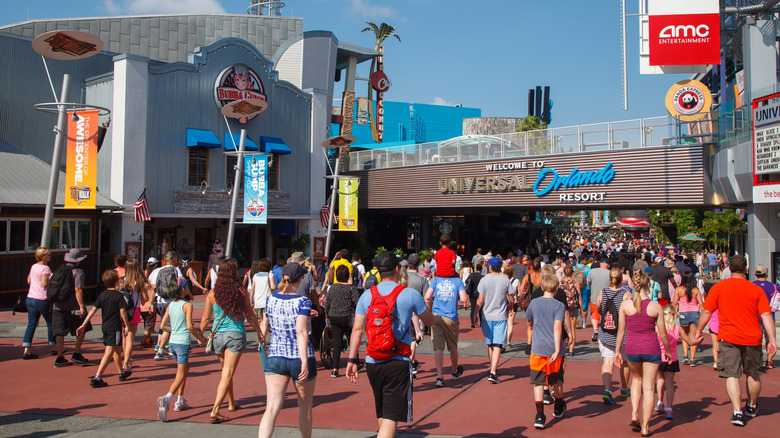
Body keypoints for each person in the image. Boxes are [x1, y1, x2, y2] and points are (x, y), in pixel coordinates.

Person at [345, 252, 436, 438]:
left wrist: (352, 359)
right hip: (398, 361)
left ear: (378, 271)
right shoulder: (409, 294)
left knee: (382, 411)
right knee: (391, 417)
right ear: (397, 270)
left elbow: (356, 330)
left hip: (372, 360)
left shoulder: (367, 296)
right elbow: (430, 321)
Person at [695, 255, 777, 427]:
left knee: (732, 375)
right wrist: (772, 340)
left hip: (728, 336)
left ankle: (737, 411)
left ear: (729, 269)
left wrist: (697, 331)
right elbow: (766, 315)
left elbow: (707, 312)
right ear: (746, 269)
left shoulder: (719, 287)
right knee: (753, 374)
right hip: (752, 337)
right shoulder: (756, 290)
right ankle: (752, 406)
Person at [199, 259, 263, 423]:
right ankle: (215, 410)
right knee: (227, 373)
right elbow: (250, 315)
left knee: (226, 372)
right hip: (235, 334)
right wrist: (259, 332)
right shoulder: (240, 292)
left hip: (218, 336)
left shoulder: (213, 293)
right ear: (234, 272)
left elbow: (206, 317)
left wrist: (200, 335)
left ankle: (232, 403)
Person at [259, 262, 316, 437]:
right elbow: (300, 331)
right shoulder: (303, 301)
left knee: (271, 408)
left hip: (276, 355)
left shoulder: (270, 299)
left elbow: (266, 323)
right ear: (300, 279)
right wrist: (304, 361)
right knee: (305, 406)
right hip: (299, 357)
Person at [615, 270, 672, 437]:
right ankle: (646, 427)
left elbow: (621, 331)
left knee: (636, 381)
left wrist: (618, 351)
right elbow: (663, 333)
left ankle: (634, 414)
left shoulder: (626, 306)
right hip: (651, 348)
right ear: (649, 285)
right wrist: (667, 351)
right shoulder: (655, 307)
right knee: (648, 387)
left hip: (632, 347)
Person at [156, 279, 207, 421]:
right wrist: (201, 338)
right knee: (180, 374)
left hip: (172, 342)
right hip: (182, 342)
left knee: (184, 369)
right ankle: (167, 398)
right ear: (183, 289)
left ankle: (180, 399)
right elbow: (190, 326)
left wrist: (175, 330)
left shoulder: (171, 305)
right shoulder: (187, 306)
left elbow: (162, 325)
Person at [525, 274, 569, 430]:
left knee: (538, 382)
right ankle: (558, 405)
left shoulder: (534, 303)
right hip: (553, 348)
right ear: (557, 289)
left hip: (538, 347)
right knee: (556, 379)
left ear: (542, 287)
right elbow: (558, 327)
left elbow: (529, 321)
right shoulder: (559, 306)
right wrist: (557, 348)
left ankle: (539, 415)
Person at [77, 270, 131, 387]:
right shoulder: (118, 295)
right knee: (109, 352)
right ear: (116, 281)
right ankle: (97, 377)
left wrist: (83, 324)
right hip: (114, 327)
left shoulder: (102, 295)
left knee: (117, 348)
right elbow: (123, 312)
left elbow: (92, 310)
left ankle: (121, 372)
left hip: (105, 326)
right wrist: (126, 325)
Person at [424, 256, 468, 387]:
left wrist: (431, 310)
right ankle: (454, 371)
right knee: (453, 347)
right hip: (451, 316)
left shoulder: (436, 280)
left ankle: (439, 376)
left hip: (436, 316)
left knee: (438, 347)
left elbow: (427, 297)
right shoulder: (457, 281)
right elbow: (464, 299)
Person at [655, 304, 699, 420]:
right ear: (674, 315)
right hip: (673, 358)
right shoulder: (677, 329)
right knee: (670, 384)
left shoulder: (658, 328)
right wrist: (697, 340)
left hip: (660, 357)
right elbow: (689, 341)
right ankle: (669, 409)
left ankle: (660, 402)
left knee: (660, 380)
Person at [475, 256, 514, 383]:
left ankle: (493, 368)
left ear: (490, 267)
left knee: (490, 343)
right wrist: (511, 306)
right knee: (498, 344)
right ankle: (493, 370)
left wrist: (475, 313)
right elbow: (511, 298)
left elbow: (480, 300)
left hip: (487, 315)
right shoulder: (505, 280)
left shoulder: (484, 281)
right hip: (500, 315)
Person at [596, 268, 632, 404]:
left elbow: (599, 308)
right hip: (622, 333)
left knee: (608, 361)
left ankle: (607, 390)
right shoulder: (626, 294)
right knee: (624, 362)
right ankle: (624, 388)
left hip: (606, 331)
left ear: (610, 278)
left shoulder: (603, 292)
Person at [51, 248, 91, 367]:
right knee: (82, 327)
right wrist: (82, 306)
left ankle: (60, 356)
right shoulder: (78, 272)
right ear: (78, 260)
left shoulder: (59, 269)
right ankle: (76, 353)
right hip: (73, 307)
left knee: (59, 332)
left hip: (57, 305)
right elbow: (78, 289)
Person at [149, 251, 191, 360]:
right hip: (171, 301)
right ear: (173, 259)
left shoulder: (157, 271)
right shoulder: (176, 270)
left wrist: (150, 302)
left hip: (159, 301)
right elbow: (182, 282)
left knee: (164, 324)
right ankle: (161, 350)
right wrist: (188, 295)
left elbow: (152, 286)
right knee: (169, 326)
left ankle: (165, 347)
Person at [325, 265, 361, 377]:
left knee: (337, 342)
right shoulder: (351, 288)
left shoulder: (333, 288)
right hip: (347, 317)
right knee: (352, 340)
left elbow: (327, 303)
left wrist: (327, 315)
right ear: (348, 276)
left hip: (334, 316)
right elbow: (357, 303)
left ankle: (335, 369)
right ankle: (355, 362)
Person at [22, 247, 56, 359]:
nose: (50, 256)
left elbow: (29, 280)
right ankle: (54, 347)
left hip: (31, 297)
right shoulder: (45, 268)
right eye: (48, 254)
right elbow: (44, 283)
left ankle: (26, 349)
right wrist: (52, 281)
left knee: (31, 324)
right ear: (43, 257)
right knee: (50, 323)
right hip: (42, 298)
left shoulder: (34, 266)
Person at [119, 259, 150, 378]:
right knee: (130, 338)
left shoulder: (122, 280)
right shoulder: (138, 281)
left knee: (124, 336)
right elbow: (144, 298)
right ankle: (126, 363)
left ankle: (125, 359)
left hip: (122, 311)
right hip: (134, 310)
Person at [405, 253, 429, 375]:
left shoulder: (402, 277)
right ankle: (412, 363)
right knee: (414, 338)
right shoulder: (422, 279)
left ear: (408, 264)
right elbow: (427, 298)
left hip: (402, 310)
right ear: (419, 265)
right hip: (416, 311)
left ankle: (411, 363)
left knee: (404, 337)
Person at [673, 272, 702, 366]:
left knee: (684, 335)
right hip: (694, 312)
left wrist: (674, 313)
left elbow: (675, 303)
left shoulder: (679, 289)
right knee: (693, 337)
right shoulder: (695, 290)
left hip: (684, 313)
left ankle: (685, 356)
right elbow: (701, 303)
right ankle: (693, 359)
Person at [752, 264, 777, 369]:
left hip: (755, 315)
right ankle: (769, 360)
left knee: (757, 339)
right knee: (769, 339)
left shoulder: (751, 285)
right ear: (766, 273)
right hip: (769, 316)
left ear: (755, 273)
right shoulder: (774, 286)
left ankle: (757, 359)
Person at [587, 259, 611, 343]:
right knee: (606, 314)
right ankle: (605, 331)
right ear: (608, 265)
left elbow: (588, 283)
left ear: (600, 264)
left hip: (594, 296)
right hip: (607, 297)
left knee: (594, 314)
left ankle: (595, 329)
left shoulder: (592, 271)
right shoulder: (610, 273)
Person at [560, 266, 581, 356]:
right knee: (572, 328)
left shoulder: (561, 283)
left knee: (564, 328)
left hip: (564, 307)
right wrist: (581, 308)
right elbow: (579, 296)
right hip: (573, 307)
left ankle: (564, 347)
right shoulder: (576, 284)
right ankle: (571, 350)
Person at [140, 257, 159, 348]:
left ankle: (149, 338)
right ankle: (144, 340)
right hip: (150, 303)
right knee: (149, 324)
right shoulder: (155, 275)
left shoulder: (143, 274)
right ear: (155, 265)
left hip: (141, 303)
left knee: (146, 322)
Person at [250, 258, 275, 325]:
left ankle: (261, 334)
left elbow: (252, 290)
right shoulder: (269, 274)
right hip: (266, 302)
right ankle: (262, 336)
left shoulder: (255, 276)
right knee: (265, 322)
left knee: (262, 321)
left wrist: (251, 301)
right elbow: (273, 287)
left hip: (257, 302)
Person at [465, 262, 484, 328]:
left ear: (476, 269)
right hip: (480, 294)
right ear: (481, 269)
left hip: (472, 293)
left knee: (473, 308)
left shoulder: (471, 275)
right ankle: (481, 322)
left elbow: (466, 281)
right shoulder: (482, 277)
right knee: (480, 308)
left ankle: (472, 323)